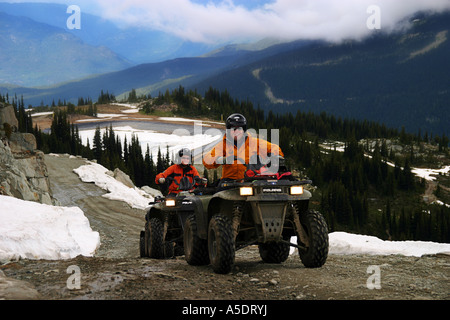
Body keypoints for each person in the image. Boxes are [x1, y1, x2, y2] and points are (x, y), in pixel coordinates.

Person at [203, 113, 284, 183]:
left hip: (252, 179)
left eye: (239, 128)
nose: (236, 131)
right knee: (219, 195)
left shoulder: (255, 143)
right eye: (233, 128)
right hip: (230, 181)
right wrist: (220, 159)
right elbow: (207, 159)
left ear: (244, 130)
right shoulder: (223, 145)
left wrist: (275, 156)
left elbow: (274, 148)